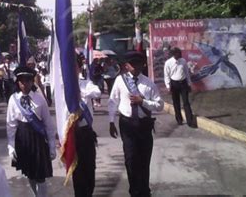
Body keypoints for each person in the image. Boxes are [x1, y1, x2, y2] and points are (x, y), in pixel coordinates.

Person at [108, 51, 164, 197]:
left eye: (138, 63)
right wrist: (111, 121)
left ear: (142, 64)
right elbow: (113, 101)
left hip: (144, 125)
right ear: (127, 66)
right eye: (132, 64)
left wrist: (143, 102)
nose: (135, 67)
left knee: (144, 161)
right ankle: (134, 191)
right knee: (131, 160)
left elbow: (159, 105)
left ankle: (144, 191)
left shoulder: (149, 83)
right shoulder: (120, 81)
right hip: (127, 124)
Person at [6, 66, 56, 197]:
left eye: (28, 80)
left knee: (40, 175)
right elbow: (11, 125)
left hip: (37, 138)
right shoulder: (13, 99)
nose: (25, 84)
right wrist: (11, 147)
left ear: (32, 81)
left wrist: (52, 146)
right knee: (29, 173)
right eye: (21, 81)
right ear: (18, 82)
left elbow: (48, 124)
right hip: (22, 139)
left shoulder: (40, 99)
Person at [73, 54, 101, 197]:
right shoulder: (64, 88)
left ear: (79, 67)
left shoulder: (85, 83)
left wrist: (81, 93)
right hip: (72, 133)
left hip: (86, 132)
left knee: (89, 168)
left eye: (75, 65)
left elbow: (97, 91)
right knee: (76, 171)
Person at [164, 47, 194, 127]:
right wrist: (168, 86)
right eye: (178, 54)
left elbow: (187, 73)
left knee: (186, 102)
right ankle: (179, 119)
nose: (180, 56)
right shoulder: (168, 63)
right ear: (174, 55)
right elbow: (166, 75)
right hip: (174, 84)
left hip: (183, 83)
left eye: (180, 54)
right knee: (176, 103)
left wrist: (189, 84)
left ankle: (190, 121)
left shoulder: (183, 61)